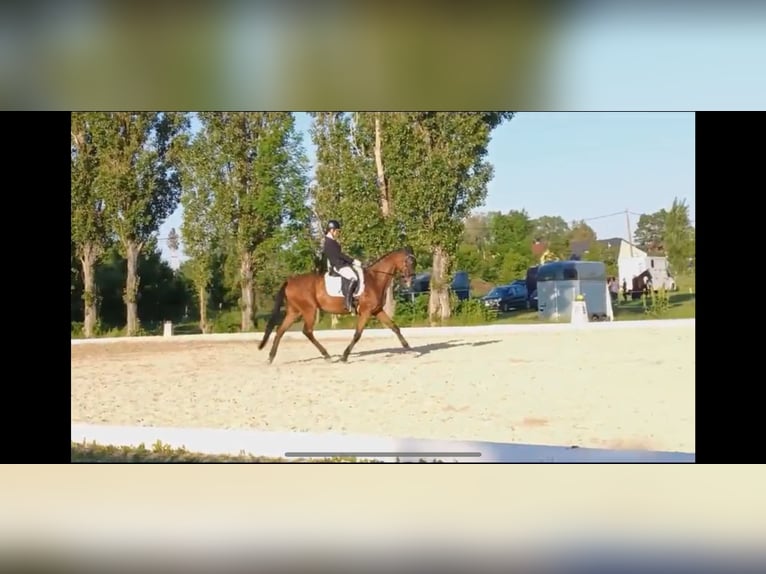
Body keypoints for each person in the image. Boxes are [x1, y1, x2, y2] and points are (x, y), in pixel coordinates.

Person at [322, 220, 361, 313]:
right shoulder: (329, 242)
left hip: (341, 264)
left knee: (357, 273)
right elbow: (339, 255)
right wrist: (353, 261)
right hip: (338, 266)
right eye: (337, 231)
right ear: (332, 230)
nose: (338, 233)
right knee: (354, 278)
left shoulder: (331, 241)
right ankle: (347, 303)